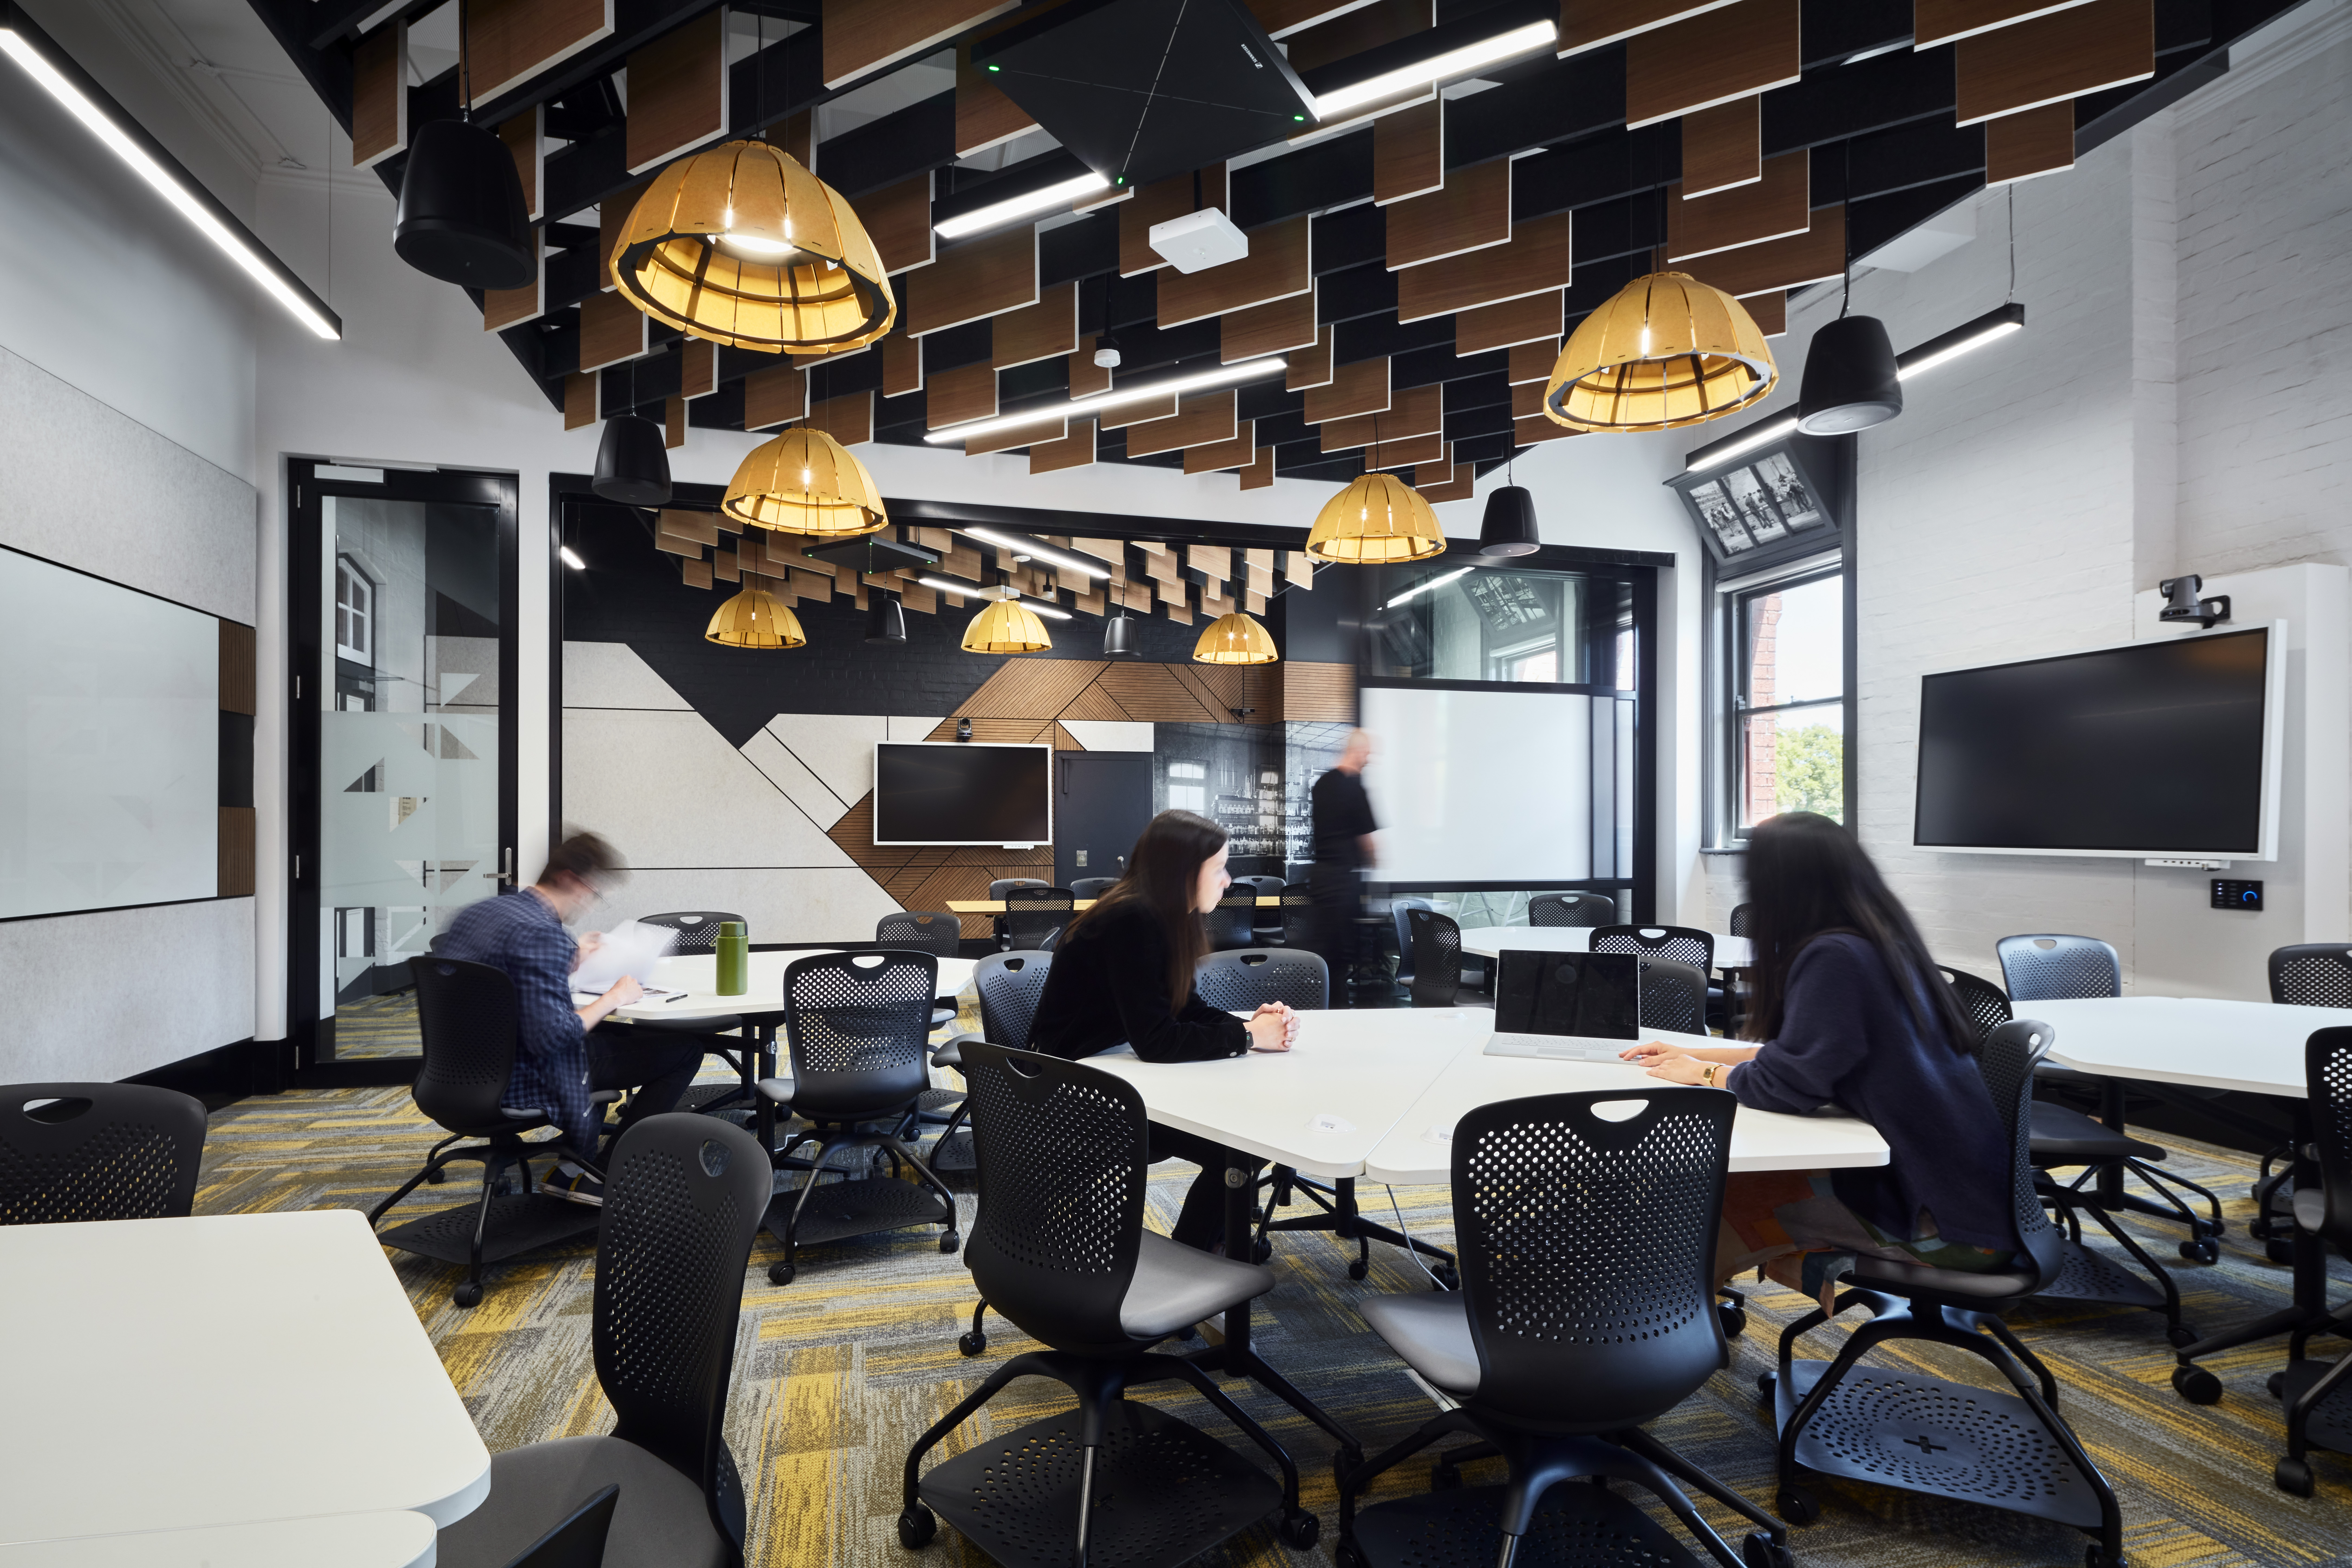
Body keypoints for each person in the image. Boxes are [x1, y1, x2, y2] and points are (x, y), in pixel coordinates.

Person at [1622, 811, 2018, 1312]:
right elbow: (1803, 1055)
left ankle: (1658, 1330)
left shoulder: (1834, 957)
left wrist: (1705, 1075)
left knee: (1700, 1196)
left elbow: (1788, 1085)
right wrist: (1694, 1053)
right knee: (1712, 1189)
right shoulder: (1877, 943)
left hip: (1939, 1225)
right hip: (1968, 1198)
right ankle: (1677, 1319)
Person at [1027, 809, 1301, 1252]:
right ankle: (1190, 1259)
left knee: (1245, 1134)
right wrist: (1249, 1037)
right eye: (1218, 869)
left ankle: (1206, 1245)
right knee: (1241, 1148)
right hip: (1075, 1096)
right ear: (1183, 872)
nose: (1228, 881)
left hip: (1115, 1071)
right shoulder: (1131, 921)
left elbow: (1184, 1008)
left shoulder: (1162, 915)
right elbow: (1156, 1040)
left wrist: (1252, 1026)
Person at [437, 831, 707, 1206]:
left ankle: (572, 1158)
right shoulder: (542, 933)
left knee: (608, 1042)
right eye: (592, 892)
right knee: (685, 1051)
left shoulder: (485, 912)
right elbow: (551, 1037)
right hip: (517, 1073)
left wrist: (568, 958)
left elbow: (500, 978)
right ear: (569, 879)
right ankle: (605, 1171)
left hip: (457, 1068)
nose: (589, 903)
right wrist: (615, 996)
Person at [1307, 730, 1378, 987]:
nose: (1369, 758)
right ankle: (1341, 1008)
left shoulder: (1322, 784)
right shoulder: (1355, 786)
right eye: (1368, 752)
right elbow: (1367, 842)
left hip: (1321, 877)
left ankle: (1323, 1002)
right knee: (1343, 955)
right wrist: (1374, 862)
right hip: (1343, 881)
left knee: (1326, 952)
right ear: (1358, 751)